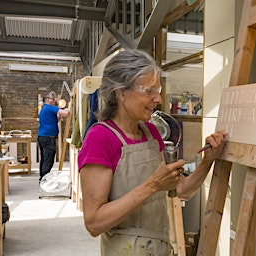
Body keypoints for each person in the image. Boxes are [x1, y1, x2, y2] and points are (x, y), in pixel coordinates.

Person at [78, 49, 227, 256]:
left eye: (158, 90)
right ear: (120, 93)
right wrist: (153, 185)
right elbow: (94, 223)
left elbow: (182, 190)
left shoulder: (151, 132)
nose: (158, 98)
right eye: (149, 91)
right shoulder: (100, 138)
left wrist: (207, 161)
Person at [38, 91, 69, 181]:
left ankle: (42, 178)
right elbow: (66, 114)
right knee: (49, 159)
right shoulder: (50, 108)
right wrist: (67, 109)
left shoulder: (43, 109)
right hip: (48, 138)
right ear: (47, 100)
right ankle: (44, 179)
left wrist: (59, 117)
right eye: (53, 99)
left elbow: (53, 121)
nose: (54, 101)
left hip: (43, 137)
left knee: (44, 159)